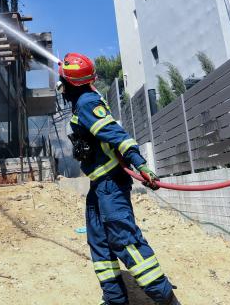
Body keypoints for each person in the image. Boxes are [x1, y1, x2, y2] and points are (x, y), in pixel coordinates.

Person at [58, 52, 180, 305]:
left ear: (70, 83)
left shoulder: (87, 102)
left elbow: (115, 133)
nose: (60, 87)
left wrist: (140, 163)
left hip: (110, 184)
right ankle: (115, 300)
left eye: (62, 82)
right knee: (99, 242)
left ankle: (166, 299)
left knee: (125, 241)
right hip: (99, 185)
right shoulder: (83, 100)